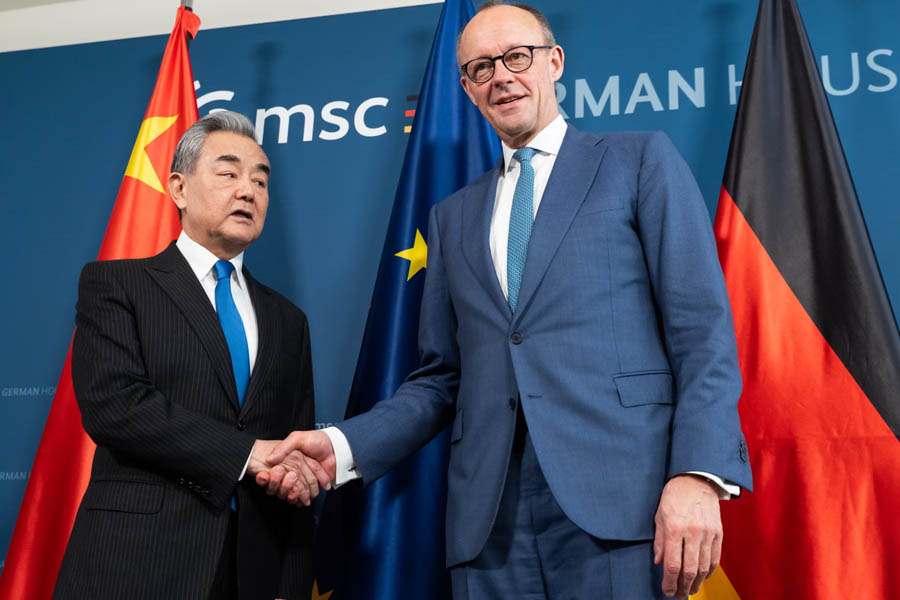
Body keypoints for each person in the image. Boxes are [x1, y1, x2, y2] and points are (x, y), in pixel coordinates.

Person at [266, 3, 752, 598]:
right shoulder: (451, 218)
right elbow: (440, 379)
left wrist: (696, 476)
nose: (500, 76)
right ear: (468, 90)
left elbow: (701, 332)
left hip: (626, 507)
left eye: (516, 57)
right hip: (488, 526)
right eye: (479, 68)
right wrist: (341, 446)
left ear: (554, 62)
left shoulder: (639, 161)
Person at [54, 111, 327, 600]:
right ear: (178, 189)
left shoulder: (290, 320)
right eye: (228, 174)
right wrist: (247, 455)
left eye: (260, 182)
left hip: (254, 569)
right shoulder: (117, 285)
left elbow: (293, 452)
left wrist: (290, 577)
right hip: (136, 562)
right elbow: (117, 408)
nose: (248, 191)